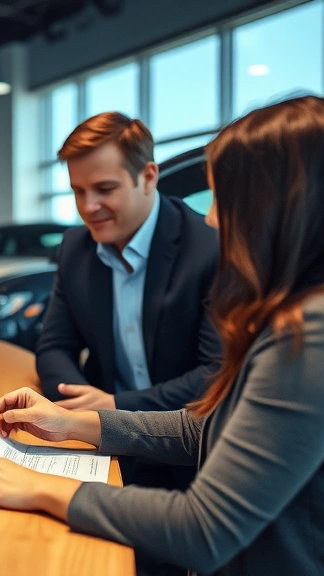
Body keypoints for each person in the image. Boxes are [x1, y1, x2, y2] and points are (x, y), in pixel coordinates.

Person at [0, 96, 324, 575]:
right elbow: (212, 427)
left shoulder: (323, 336)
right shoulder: (316, 313)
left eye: (224, 199)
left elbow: (205, 529)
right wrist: (76, 423)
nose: (212, 218)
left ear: (281, 208)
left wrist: (40, 487)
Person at [37, 112, 219, 414]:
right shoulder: (75, 248)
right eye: (78, 191)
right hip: (99, 431)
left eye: (105, 189)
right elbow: (54, 347)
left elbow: (216, 373)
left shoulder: (208, 246)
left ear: (148, 177)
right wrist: (81, 410)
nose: (88, 207)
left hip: (185, 434)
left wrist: (114, 408)